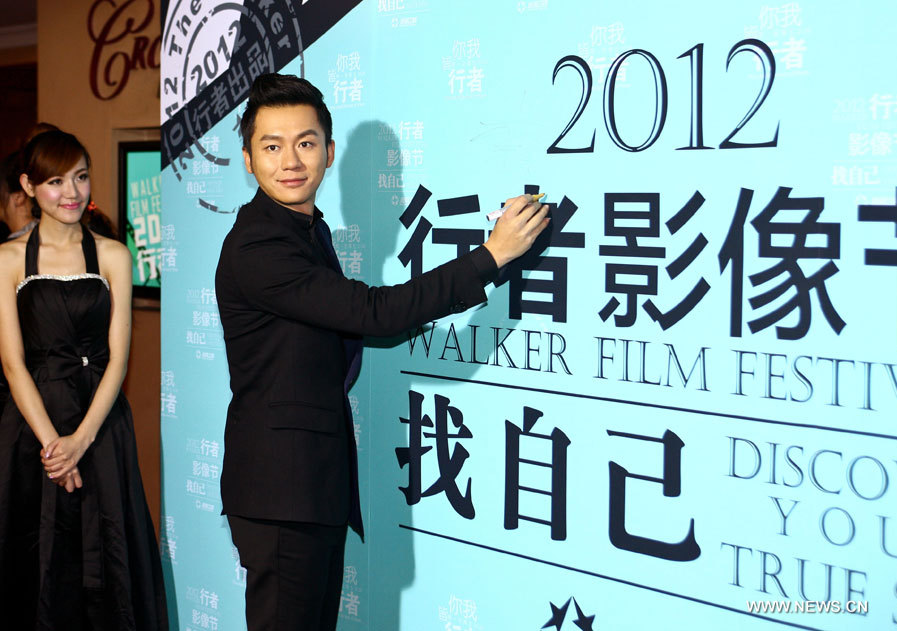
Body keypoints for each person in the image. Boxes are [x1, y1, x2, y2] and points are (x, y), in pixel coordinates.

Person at [215, 72, 549, 631]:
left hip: (307, 484)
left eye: (305, 143)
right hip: (281, 493)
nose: (290, 161)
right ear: (248, 159)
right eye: (271, 147)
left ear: (329, 151)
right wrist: (491, 256)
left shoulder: (304, 229)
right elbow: (376, 314)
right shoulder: (259, 245)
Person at [0, 130, 168, 629]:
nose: (71, 192)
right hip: (34, 430)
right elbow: (12, 363)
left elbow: (119, 358)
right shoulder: (8, 260)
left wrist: (82, 440)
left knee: (108, 555)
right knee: (34, 560)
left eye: (80, 176)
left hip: (101, 425)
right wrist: (57, 448)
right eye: (55, 181)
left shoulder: (113, 254)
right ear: (28, 186)